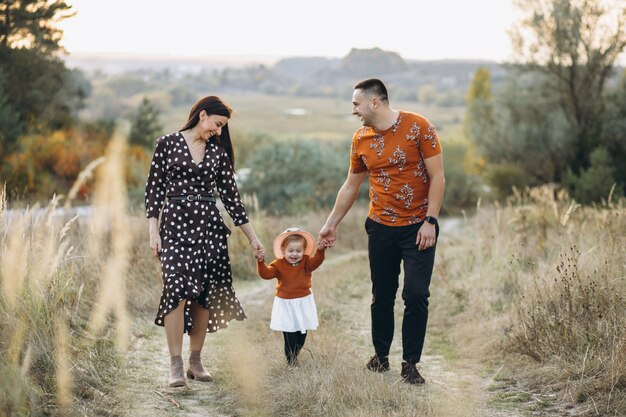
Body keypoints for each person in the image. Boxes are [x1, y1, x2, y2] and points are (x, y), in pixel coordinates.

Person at [319, 78, 445, 385]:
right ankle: (380, 357)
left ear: (375, 102)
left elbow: (438, 177)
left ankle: (410, 364)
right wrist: (331, 223)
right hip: (381, 228)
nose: (353, 111)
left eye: (356, 104)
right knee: (382, 295)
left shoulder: (419, 127)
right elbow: (351, 186)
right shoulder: (360, 138)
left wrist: (431, 221)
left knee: (416, 294)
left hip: (418, 228)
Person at [145, 95, 265, 387]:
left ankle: (195, 361)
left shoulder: (217, 152)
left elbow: (232, 200)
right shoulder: (167, 143)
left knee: (203, 293)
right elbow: (153, 191)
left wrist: (253, 238)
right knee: (175, 288)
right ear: (202, 115)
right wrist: (153, 230)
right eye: (217, 124)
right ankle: (174, 365)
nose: (219, 131)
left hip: (209, 228)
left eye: (223, 126)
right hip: (174, 227)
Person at [256, 227, 326, 366]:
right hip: (285, 303)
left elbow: (317, 261)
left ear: (304, 251)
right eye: (291, 250)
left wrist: (321, 250)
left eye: (298, 251)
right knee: (289, 333)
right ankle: (291, 361)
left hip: (303, 301)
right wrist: (260, 261)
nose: (295, 254)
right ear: (283, 250)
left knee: (302, 333)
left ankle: (296, 352)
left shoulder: (306, 262)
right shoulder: (278, 264)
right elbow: (266, 274)